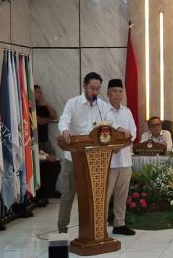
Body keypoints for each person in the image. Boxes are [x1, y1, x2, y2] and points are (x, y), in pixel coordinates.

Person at [57, 72, 130, 233]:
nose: (95, 92)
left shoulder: (102, 106)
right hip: (74, 158)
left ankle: (91, 230)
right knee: (68, 196)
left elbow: (110, 122)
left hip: (95, 160)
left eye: (97, 89)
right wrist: (65, 131)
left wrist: (119, 129)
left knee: (93, 197)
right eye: (92, 88)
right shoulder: (73, 103)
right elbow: (64, 120)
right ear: (84, 86)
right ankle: (62, 229)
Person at [106, 79, 137, 235]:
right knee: (105, 195)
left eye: (120, 91)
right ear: (108, 93)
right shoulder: (103, 111)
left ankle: (119, 224)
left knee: (122, 194)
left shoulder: (127, 111)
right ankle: (101, 225)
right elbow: (104, 132)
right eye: (114, 91)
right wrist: (114, 146)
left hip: (125, 159)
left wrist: (120, 145)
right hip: (108, 162)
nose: (118, 94)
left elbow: (133, 132)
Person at [34, 85, 58, 154]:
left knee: (53, 159)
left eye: (41, 93)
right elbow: (37, 121)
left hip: (44, 139)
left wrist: (46, 105)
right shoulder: (30, 106)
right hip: (35, 140)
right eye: (37, 92)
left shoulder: (42, 106)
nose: (40, 94)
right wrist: (48, 120)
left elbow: (54, 116)